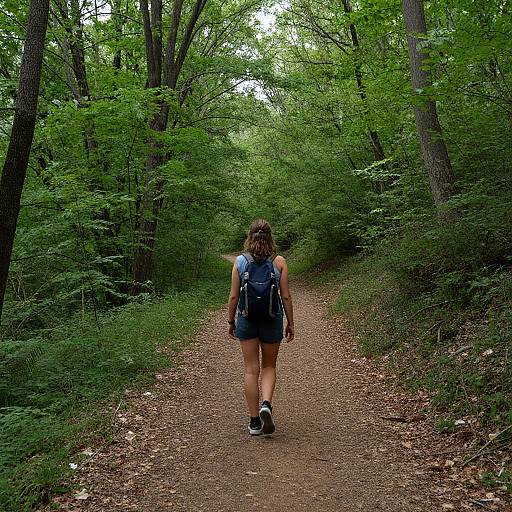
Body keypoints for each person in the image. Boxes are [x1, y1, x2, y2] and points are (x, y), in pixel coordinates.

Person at [227, 219, 295, 436]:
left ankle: (255, 421)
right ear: (270, 236)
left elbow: (234, 296)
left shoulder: (240, 261)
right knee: (268, 366)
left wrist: (231, 322)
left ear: (250, 236)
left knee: (250, 369)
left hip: (247, 319)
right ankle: (266, 403)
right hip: (271, 318)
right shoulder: (279, 261)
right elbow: (285, 295)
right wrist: (290, 323)